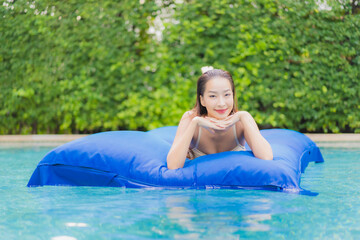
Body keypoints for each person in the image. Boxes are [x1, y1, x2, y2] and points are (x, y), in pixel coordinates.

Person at [166, 67, 273, 170]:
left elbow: (267, 157)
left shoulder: (242, 120)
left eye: (227, 94)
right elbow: (173, 166)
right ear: (202, 100)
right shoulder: (190, 119)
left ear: (233, 95)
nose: (221, 103)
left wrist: (243, 116)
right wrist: (195, 123)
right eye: (213, 96)